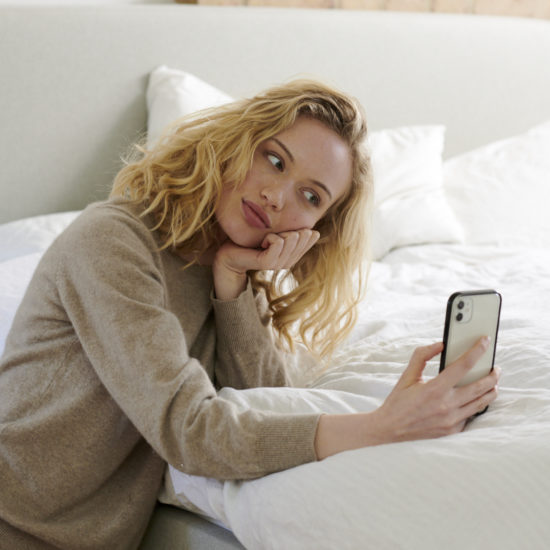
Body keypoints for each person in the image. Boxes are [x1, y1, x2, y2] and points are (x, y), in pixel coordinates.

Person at [0, 80, 499, 549]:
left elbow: (268, 403)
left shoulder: (229, 270)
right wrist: (378, 426)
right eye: (275, 160)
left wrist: (234, 285)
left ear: (316, 228)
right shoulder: (113, 241)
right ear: (237, 143)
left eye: (310, 196)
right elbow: (192, 432)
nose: (277, 197)